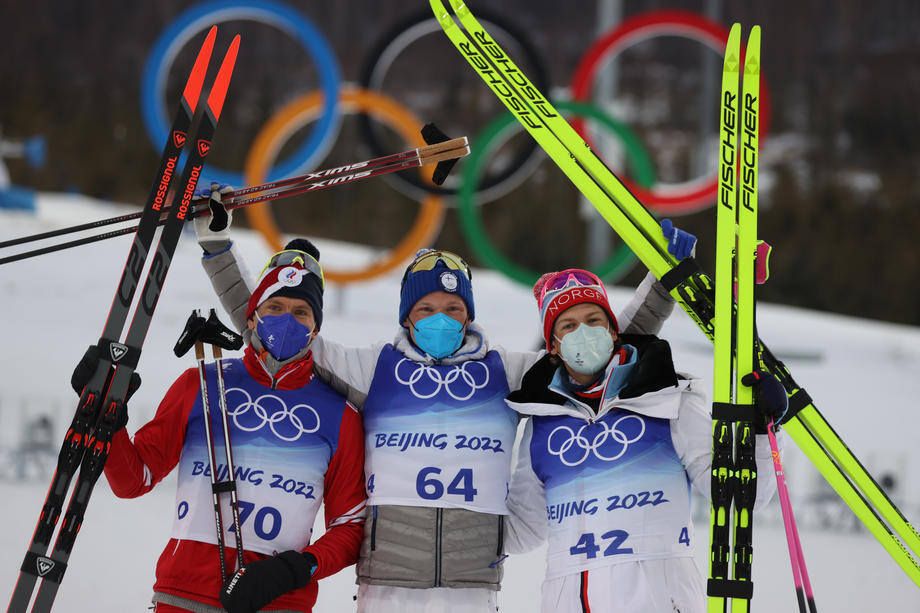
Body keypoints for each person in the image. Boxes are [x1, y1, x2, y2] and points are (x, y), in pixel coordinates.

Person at [192, 185, 696, 612]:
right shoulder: (374, 368)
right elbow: (275, 334)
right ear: (407, 315)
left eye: (453, 308)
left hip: (471, 589)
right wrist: (218, 251)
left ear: (469, 314)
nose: (441, 318)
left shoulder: (507, 371)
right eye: (427, 307)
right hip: (387, 587)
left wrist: (660, 289)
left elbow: (601, 351)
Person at [74, 242, 366, 612]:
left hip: (278, 602)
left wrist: (296, 568)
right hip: (183, 595)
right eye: (274, 307)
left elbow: (350, 526)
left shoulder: (341, 416)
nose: (286, 319)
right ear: (252, 317)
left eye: (300, 312)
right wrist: (107, 420)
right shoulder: (200, 384)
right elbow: (134, 479)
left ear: (315, 328)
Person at [502, 269, 787, 613]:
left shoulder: (667, 397)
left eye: (594, 320)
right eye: (569, 326)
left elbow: (738, 499)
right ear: (553, 346)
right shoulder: (542, 423)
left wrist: (760, 430)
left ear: (612, 331)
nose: (584, 333)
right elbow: (521, 532)